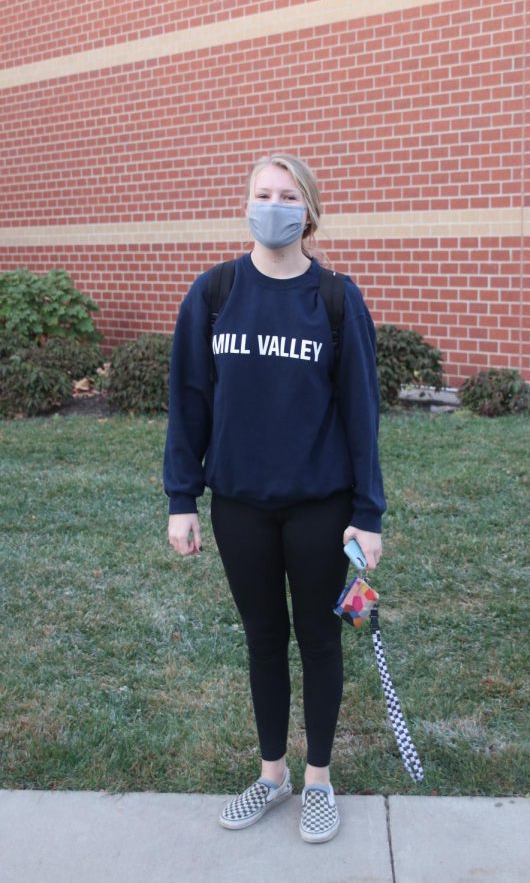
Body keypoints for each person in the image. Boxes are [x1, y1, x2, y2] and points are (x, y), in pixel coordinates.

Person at [163, 154, 385, 843]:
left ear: (308, 211)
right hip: (240, 505)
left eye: (287, 196)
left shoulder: (336, 299)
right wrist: (181, 499)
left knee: (320, 639)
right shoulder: (214, 292)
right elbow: (190, 403)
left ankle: (318, 780)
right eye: (263, 193)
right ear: (247, 204)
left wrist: (367, 515)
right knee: (263, 639)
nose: (274, 205)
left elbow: (361, 414)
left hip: (320, 506)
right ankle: (272, 774)